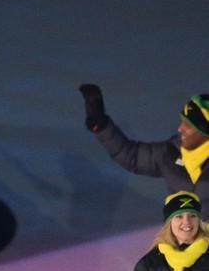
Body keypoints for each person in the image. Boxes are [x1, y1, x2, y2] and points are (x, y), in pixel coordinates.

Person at [78, 86, 209, 218]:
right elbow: (131, 155)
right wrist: (100, 124)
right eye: (182, 122)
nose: (180, 129)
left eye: (188, 125)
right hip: (182, 235)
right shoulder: (171, 151)